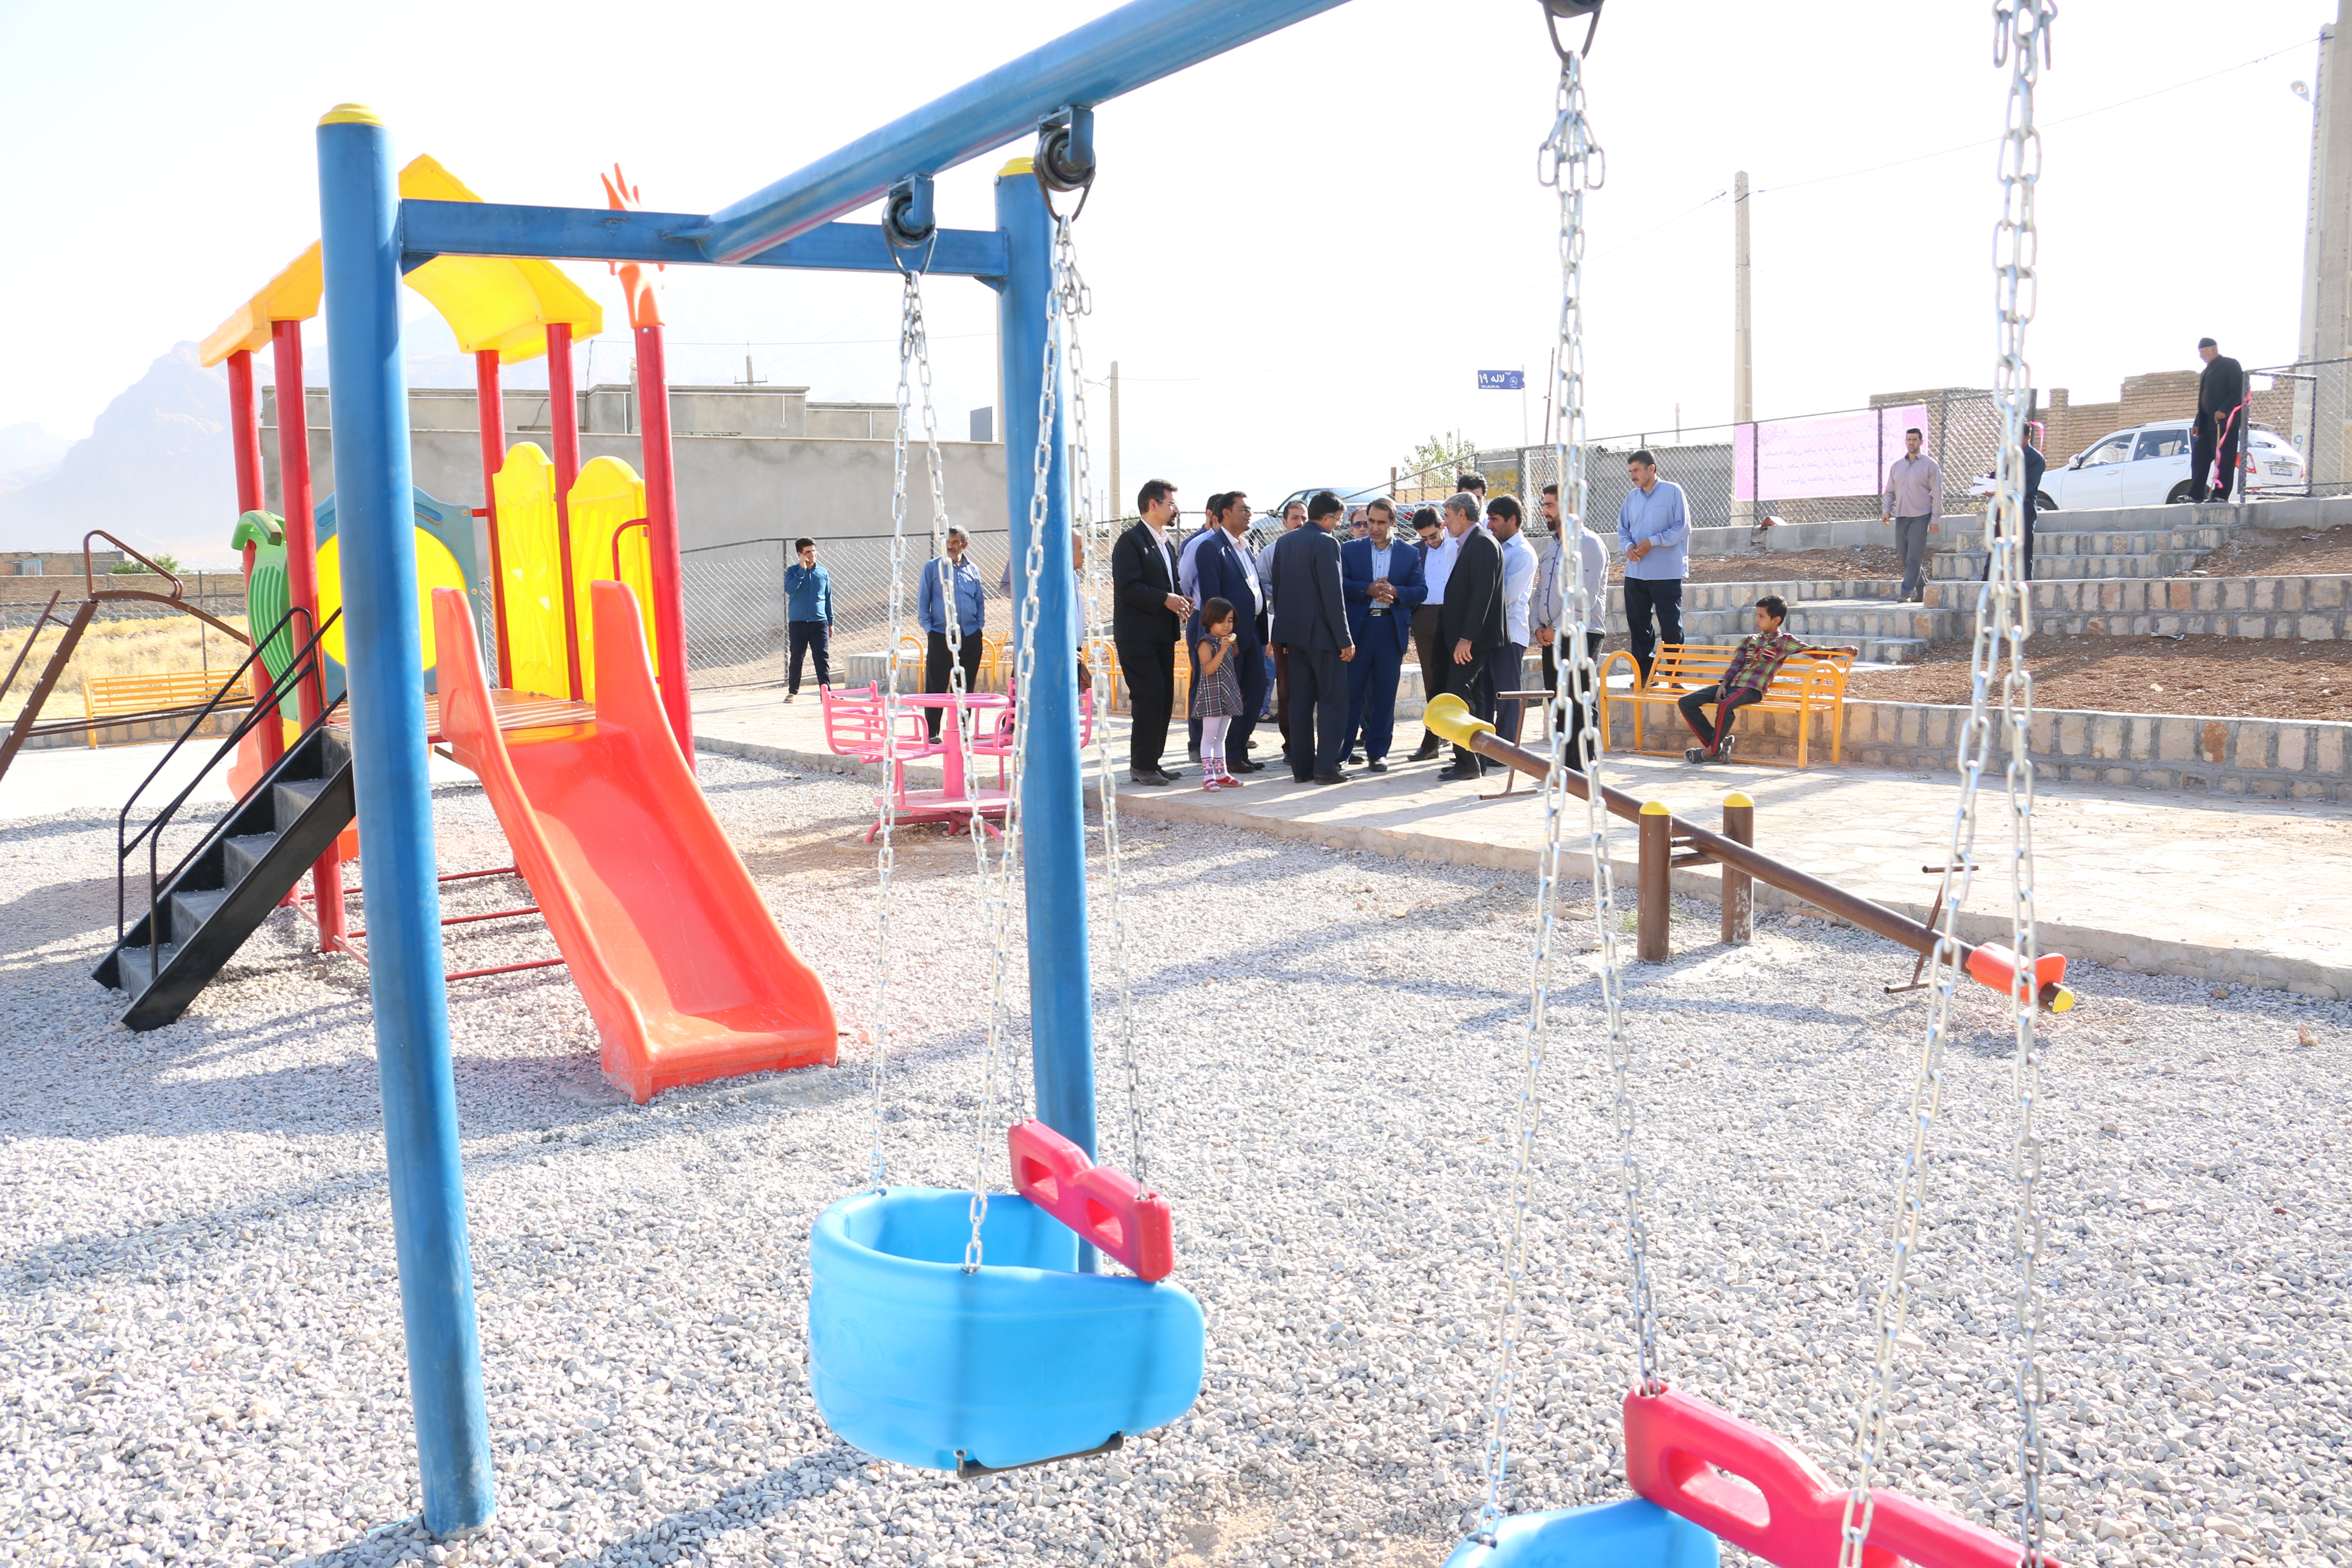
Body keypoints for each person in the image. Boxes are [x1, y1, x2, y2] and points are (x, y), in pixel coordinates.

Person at [1675, 596, 1852, 763]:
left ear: (1777, 620)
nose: (1757, 620)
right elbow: (1735, 666)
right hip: (1732, 686)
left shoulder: (1785, 641)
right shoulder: (1748, 641)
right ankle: (1719, 745)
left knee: (1726, 705)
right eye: (1756, 615)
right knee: (1686, 702)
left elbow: (1814, 652)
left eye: (1762, 616)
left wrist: (1840, 650)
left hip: (1752, 689)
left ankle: (1712, 752)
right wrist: (1723, 684)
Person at [1267, 490, 1356, 783]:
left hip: (1292, 636)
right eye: (1338, 519)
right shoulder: (1326, 542)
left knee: (1300, 703)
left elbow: (1278, 590)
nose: (1339, 525)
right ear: (1327, 517)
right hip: (1324, 638)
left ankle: (1302, 768)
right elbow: (1333, 595)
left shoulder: (1285, 542)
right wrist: (1344, 639)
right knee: (1333, 701)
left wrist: (1282, 635)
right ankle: (1326, 768)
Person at [1112, 478, 1192, 784]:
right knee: (1149, 695)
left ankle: (1152, 762)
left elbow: (1169, 584)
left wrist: (1181, 599)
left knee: (1164, 697)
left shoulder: (1166, 542)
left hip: (1163, 633)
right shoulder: (1130, 542)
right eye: (1171, 503)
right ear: (1153, 504)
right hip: (1138, 636)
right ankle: (1142, 765)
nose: (1176, 510)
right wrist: (1165, 599)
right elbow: (1128, 587)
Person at [1338, 497, 1426, 772]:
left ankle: (1378, 753)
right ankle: (1342, 753)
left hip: (1390, 630)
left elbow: (1421, 590)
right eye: (1370, 522)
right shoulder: (1349, 550)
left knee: (1385, 696)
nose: (1374, 528)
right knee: (1351, 693)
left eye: (1380, 523)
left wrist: (1397, 592)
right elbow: (1339, 583)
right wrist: (1368, 589)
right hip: (1359, 631)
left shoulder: (1409, 553)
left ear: (1393, 523)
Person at [1531, 484, 1610, 767]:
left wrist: (1555, 627)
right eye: (1544, 505)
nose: (1545, 511)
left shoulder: (1588, 545)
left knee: (1579, 701)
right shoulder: (1553, 548)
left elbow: (1584, 597)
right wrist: (1538, 626)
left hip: (1580, 635)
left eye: (1550, 505)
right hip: (1552, 638)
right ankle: (1566, 766)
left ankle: (1585, 767)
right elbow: (1540, 592)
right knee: (1559, 701)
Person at [1190, 491, 1269, 771]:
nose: (1249, 514)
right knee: (1229, 698)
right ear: (1226, 513)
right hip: (1229, 638)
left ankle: (1238, 750)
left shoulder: (1244, 547)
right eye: (1243, 509)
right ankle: (1230, 757)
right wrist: (1224, 639)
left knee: (1256, 691)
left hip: (1252, 633)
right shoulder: (1211, 548)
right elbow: (1213, 599)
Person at [1434, 491, 1504, 783]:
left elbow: (1482, 596)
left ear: (1462, 514)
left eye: (1448, 516)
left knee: (1457, 695)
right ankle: (1476, 760)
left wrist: (1467, 638)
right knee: (1473, 698)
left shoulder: (1483, 543)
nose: (1445, 523)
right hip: (1465, 639)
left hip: (1471, 641)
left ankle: (1467, 763)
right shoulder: (1472, 543)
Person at [1617, 450, 1690, 683]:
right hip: (1636, 573)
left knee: (1671, 627)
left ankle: (1674, 676)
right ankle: (1645, 676)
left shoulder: (1673, 491)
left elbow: (1682, 527)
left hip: (1666, 573)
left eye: (1637, 470)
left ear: (1652, 469)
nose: (1633, 476)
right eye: (1630, 472)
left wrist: (1653, 542)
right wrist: (1628, 547)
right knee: (1639, 626)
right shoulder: (1631, 498)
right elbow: (1623, 530)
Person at [916, 527, 986, 743]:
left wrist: (979, 628)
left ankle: (961, 731)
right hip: (941, 634)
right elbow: (923, 602)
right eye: (948, 541)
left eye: (955, 542)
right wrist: (930, 631)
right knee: (936, 685)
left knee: (965, 685)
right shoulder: (932, 568)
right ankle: (932, 733)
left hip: (970, 635)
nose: (950, 546)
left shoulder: (973, 569)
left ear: (965, 545)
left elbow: (979, 601)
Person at [1485, 495, 1540, 744]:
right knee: (1486, 695)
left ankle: (1506, 750)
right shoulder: (1494, 546)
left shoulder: (1523, 554)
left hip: (1509, 634)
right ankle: (1485, 747)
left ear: (1512, 520)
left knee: (1507, 694)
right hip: (1489, 632)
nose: (1490, 526)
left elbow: (1507, 596)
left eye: (1495, 520)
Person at [1256, 498, 1307, 764]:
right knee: (1287, 688)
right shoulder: (1271, 552)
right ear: (1285, 522)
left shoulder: (1320, 547)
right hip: (1284, 629)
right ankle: (1292, 746)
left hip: (1315, 631)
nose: (1300, 523)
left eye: (1304, 518)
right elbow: (1261, 584)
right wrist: (1287, 594)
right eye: (1295, 518)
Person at [1182, 494, 1229, 762]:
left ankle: (1223, 741)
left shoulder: (1238, 545)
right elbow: (1185, 581)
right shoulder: (1198, 544)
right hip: (1203, 619)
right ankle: (1197, 742)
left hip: (1228, 623)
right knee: (1203, 680)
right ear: (1215, 515)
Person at [1408, 504, 1455, 762]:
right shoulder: (1416, 551)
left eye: (1434, 536)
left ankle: (1456, 735)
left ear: (1442, 526)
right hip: (1424, 617)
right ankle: (1433, 737)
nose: (1430, 541)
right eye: (1424, 538)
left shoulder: (1457, 547)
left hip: (1451, 616)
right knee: (1431, 677)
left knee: (1455, 677)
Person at [1879, 427, 1942, 603]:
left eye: (1915, 439)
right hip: (1901, 516)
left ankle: (1905, 593)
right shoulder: (1897, 466)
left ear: (1921, 442)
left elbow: (1937, 494)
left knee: (1914, 556)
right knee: (1904, 556)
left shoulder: (1930, 465)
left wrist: (1936, 519)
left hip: (1921, 516)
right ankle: (1923, 590)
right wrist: (1887, 510)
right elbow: (1890, 492)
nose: (1911, 443)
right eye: (1909, 439)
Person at [1189, 597, 1246, 790]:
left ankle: (1222, 774)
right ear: (1210, 621)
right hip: (1212, 695)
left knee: (1222, 736)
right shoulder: (1206, 643)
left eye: (1230, 621)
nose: (1226, 626)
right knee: (1209, 736)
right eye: (1221, 621)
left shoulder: (1228, 642)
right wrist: (1222, 650)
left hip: (1227, 693)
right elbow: (1209, 669)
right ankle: (1209, 776)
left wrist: (1228, 646)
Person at [1984, 422, 2048, 584]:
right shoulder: (2007, 455)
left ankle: (2025, 584)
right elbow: (1999, 475)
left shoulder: (2036, 458)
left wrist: (2001, 490)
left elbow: (2027, 486)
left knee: (2024, 548)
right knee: (1997, 543)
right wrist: (1986, 482)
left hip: (2024, 507)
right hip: (2004, 507)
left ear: (2028, 437)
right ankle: (1989, 581)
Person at [2192, 337, 2247, 504]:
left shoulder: (2230, 365)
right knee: (2199, 457)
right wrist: (2197, 423)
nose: (2201, 356)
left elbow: (2238, 391)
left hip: (2225, 423)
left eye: (2203, 352)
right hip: (2207, 424)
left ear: (2214, 349)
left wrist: (2224, 409)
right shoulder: (2206, 372)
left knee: (2224, 460)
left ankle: (2220, 495)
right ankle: (2196, 494)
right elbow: (2204, 399)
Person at [783, 536, 833, 701]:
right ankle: (793, 692)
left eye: (814, 551)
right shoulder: (793, 571)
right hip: (799, 623)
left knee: (822, 657)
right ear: (800, 554)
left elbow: (828, 597)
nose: (813, 554)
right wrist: (802, 570)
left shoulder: (823, 572)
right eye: (808, 552)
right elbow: (790, 589)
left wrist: (830, 622)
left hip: (820, 622)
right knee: (797, 657)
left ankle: (826, 693)